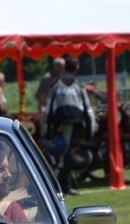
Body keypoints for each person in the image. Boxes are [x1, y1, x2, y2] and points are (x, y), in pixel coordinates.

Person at [44, 55, 96, 196]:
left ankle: (64, 186)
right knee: (64, 156)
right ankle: (57, 187)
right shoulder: (77, 84)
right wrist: (91, 130)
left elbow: (48, 108)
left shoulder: (56, 83)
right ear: (77, 67)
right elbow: (88, 108)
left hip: (58, 123)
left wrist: (47, 130)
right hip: (72, 123)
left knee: (64, 155)